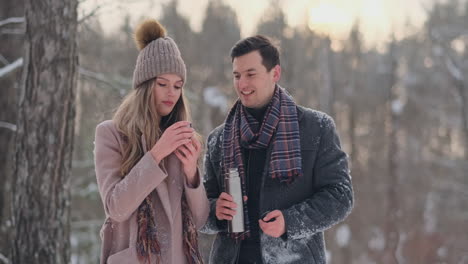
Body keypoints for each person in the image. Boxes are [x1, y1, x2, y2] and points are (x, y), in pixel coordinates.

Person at [201, 35, 354, 264]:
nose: (242, 84)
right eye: (237, 75)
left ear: (275, 73)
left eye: (251, 74)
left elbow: (340, 196)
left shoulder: (317, 128)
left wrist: (290, 222)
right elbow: (201, 210)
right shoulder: (218, 139)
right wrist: (214, 210)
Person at [94, 19, 209, 264]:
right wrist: (156, 154)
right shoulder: (111, 134)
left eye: (178, 86)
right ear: (145, 85)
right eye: (162, 84)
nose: (172, 93)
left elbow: (199, 221)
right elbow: (116, 207)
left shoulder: (181, 137)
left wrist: (191, 174)